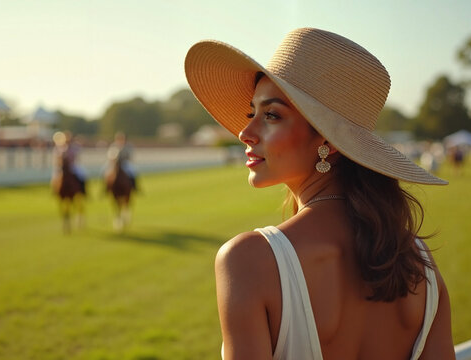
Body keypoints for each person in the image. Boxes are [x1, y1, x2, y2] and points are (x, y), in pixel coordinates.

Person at [185, 28, 455, 359]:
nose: (245, 132)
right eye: (250, 113)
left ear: (327, 140)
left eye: (271, 115)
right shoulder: (420, 263)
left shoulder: (250, 261)